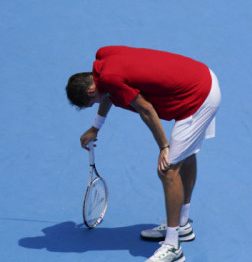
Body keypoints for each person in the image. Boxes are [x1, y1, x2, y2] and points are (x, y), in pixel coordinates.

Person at [66, 46, 221, 262]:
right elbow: (110, 92)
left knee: (167, 170)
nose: (98, 104)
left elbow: (146, 109)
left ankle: (173, 247)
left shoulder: (108, 80)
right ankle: (182, 224)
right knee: (186, 155)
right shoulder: (103, 60)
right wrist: (95, 127)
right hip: (202, 76)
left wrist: (164, 147)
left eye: (94, 102)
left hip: (198, 97)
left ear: (91, 90)